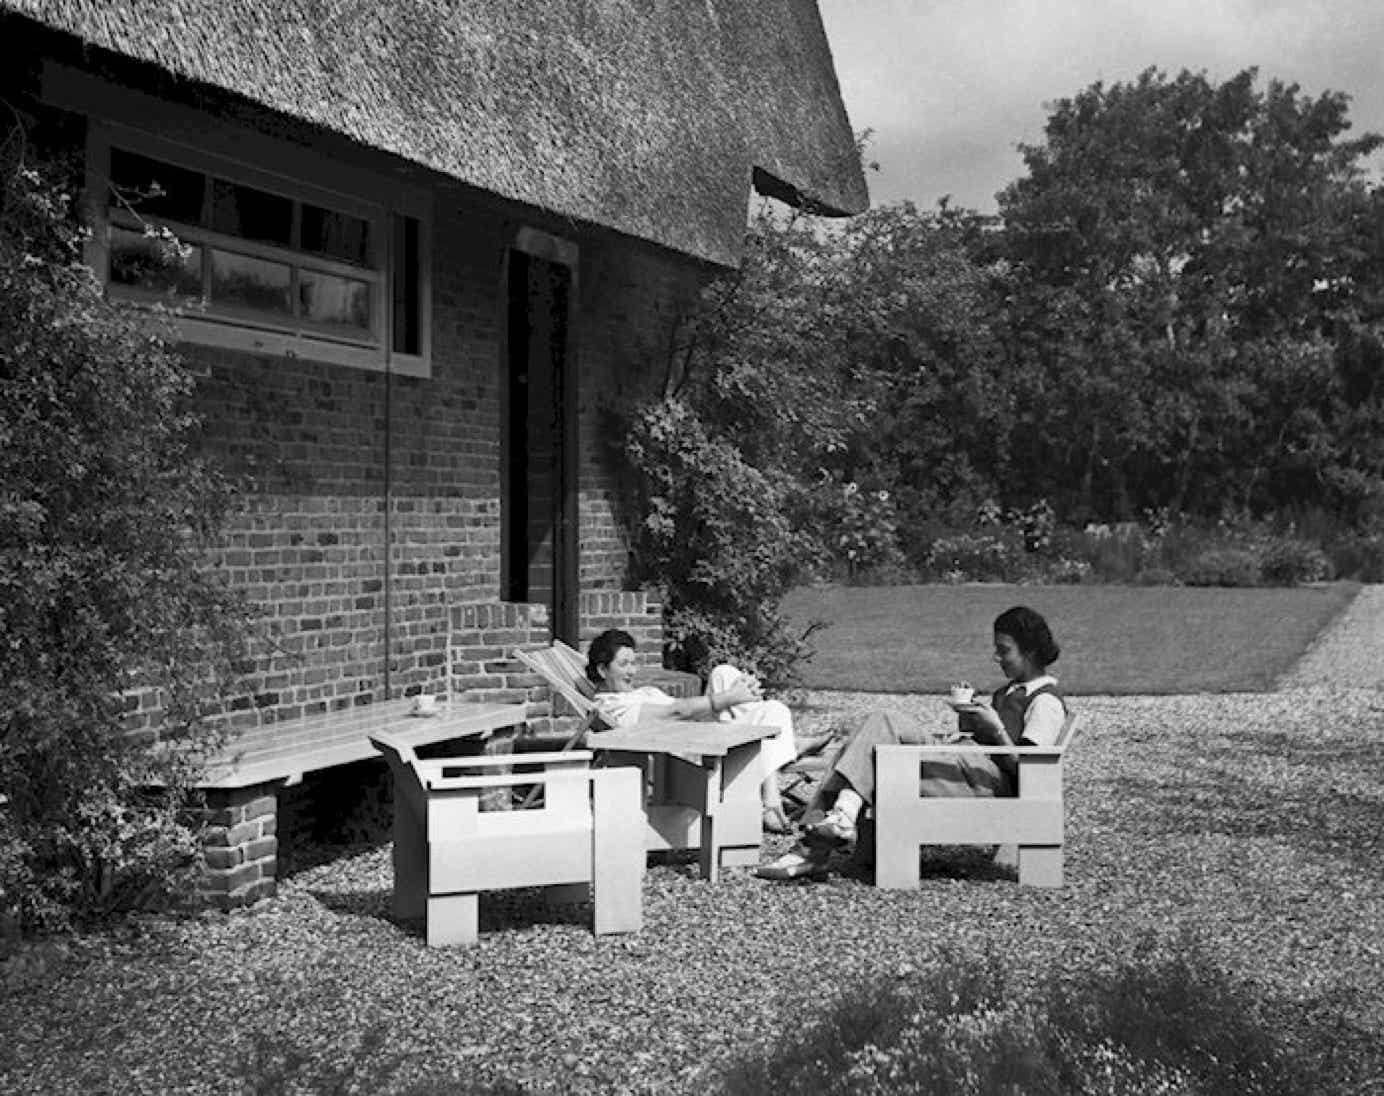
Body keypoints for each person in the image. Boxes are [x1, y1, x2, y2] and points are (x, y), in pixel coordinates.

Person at [756, 605, 1067, 881]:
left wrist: (996, 729)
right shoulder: (1011, 691)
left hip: (984, 782)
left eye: (1004, 650)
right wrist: (972, 722)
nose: (996, 657)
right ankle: (840, 818)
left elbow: (1031, 772)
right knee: (876, 726)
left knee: (873, 741)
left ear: (1030, 651)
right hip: (966, 765)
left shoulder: (1045, 703)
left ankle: (812, 847)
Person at [584, 628, 806, 832]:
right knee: (775, 711)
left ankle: (785, 743)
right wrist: (730, 698)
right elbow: (676, 712)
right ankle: (771, 796)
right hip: (695, 755)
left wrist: (734, 694)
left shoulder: (627, 694)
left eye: (633, 663)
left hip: (696, 734)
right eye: (624, 664)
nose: (632, 671)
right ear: (603, 670)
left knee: (723, 673)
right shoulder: (614, 706)